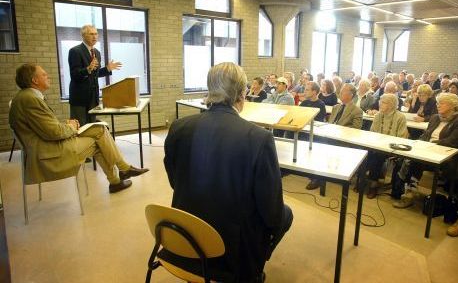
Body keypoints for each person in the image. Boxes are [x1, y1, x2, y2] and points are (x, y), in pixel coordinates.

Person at [164, 62, 293, 282]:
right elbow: (271, 212)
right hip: (230, 251)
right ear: (242, 94)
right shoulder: (259, 138)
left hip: (185, 235)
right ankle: (251, 270)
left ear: (209, 89)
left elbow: (175, 181)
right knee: (286, 214)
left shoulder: (179, 127)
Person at [9, 64, 148, 193]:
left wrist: (66, 125)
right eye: (44, 75)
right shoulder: (30, 99)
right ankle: (120, 174)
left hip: (48, 145)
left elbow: (45, 127)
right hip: (49, 152)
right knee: (99, 140)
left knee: (99, 130)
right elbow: (53, 133)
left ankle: (119, 176)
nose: (48, 76)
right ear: (34, 80)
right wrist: (70, 126)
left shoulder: (26, 96)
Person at [392, 93, 458, 208]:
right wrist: (418, 143)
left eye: (442, 103)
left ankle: (409, 193)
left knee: (413, 161)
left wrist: (428, 145)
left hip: (448, 158)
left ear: (452, 105)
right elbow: (425, 135)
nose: (438, 105)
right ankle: (404, 191)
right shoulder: (435, 118)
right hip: (427, 151)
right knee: (406, 158)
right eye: (438, 103)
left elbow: (451, 142)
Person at [305, 83, 362, 190]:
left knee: (323, 145)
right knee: (315, 142)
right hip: (330, 136)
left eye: (343, 91)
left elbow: (355, 131)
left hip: (342, 139)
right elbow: (331, 123)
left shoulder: (357, 111)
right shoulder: (336, 107)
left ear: (351, 94)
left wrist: (338, 131)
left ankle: (319, 178)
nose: (340, 92)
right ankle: (317, 174)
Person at [68, 25, 122, 125]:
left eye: (96, 34)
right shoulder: (75, 51)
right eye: (91, 34)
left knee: (92, 126)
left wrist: (107, 69)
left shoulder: (96, 52)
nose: (95, 37)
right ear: (83, 36)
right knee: (81, 128)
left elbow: (94, 74)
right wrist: (87, 69)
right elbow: (74, 74)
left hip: (93, 98)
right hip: (80, 99)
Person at [365, 94, 408, 198]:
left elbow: (401, 137)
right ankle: (362, 180)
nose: (379, 103)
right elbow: (372, 132)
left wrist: (385, 144)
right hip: (377, 145)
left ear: (391, 105)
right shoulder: (378, 115)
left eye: (383, 102)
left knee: (376, 156)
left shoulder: (400, 117)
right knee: (365, 152)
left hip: (392, 148)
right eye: (380, 101)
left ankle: (373, 185)